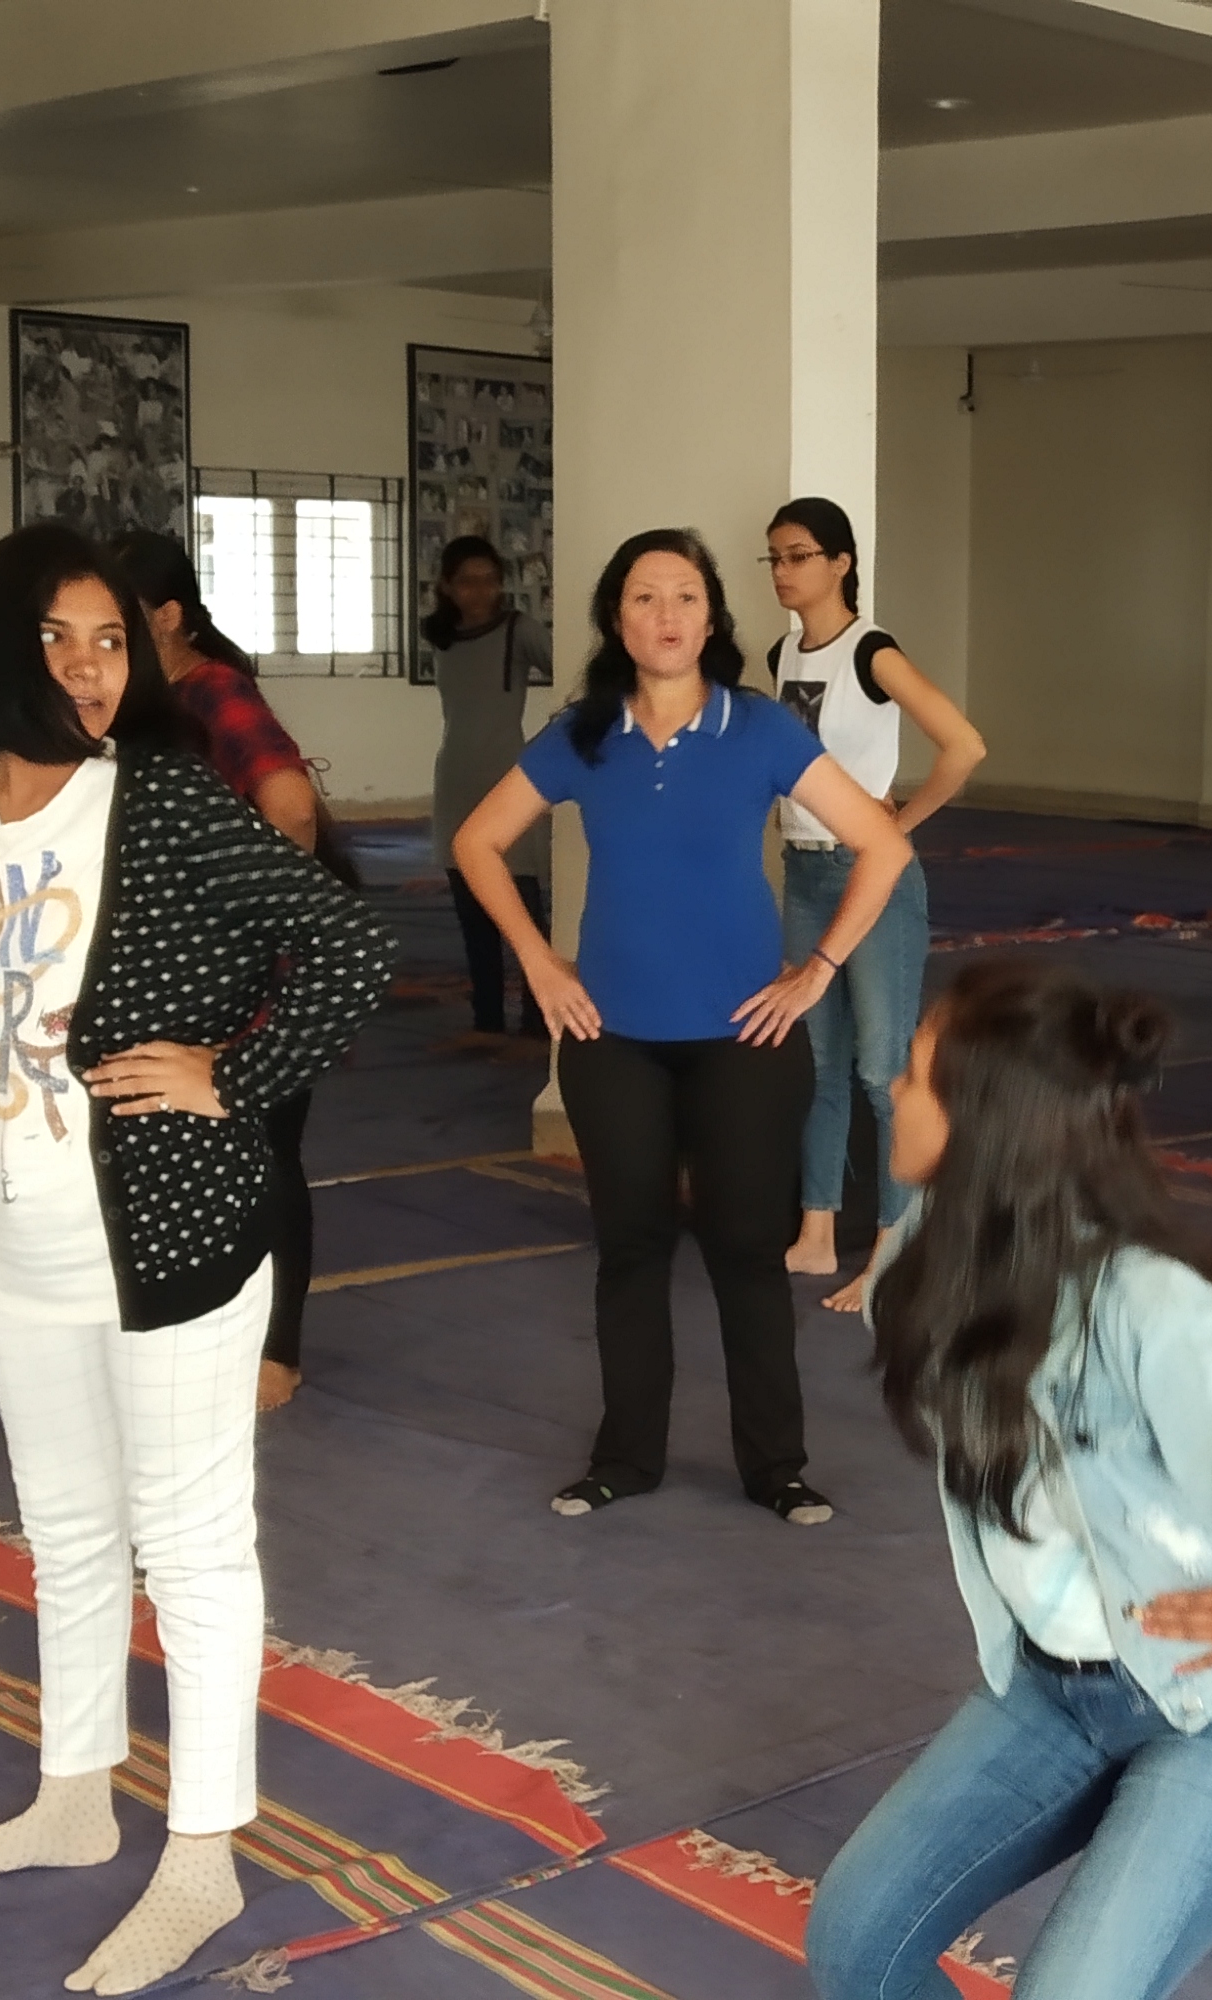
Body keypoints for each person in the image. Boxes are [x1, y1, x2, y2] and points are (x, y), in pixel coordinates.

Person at [0, 525, 391, 1995]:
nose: (91, 669)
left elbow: (346, 944)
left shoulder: (159, 797)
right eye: (58, 638)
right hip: (16, 1238)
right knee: (65, 1533)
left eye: (111, 641)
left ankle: (203, 1853)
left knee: (192, 1546)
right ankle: (71, 1800)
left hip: (168, 1233)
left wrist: (231, 1077)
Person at [805, 956, 1212, 1999]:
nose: (894, 1092)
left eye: (914, 1073)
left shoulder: (1151, 1307)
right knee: (856, 1942)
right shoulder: (914, 1268)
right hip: (1053, 1689)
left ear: (987, 1119)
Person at [450, 528, 913, 1522]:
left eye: (686, 597)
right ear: (616, 620)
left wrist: (819, 970)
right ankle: (625, 1456)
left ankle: (775, 1465)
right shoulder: (581, 735)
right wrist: (540, 961)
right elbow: (477, 840)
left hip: (745, 1041)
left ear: (711, 619)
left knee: (746, 1251)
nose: (666, 615)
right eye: (645, 597)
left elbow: (881, 845)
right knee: (631, 1247)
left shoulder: (760, 729)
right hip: (612, 1040)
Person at [108, 529, 337, 1412]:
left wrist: (247, 926)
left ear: (169, 617)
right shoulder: (145, 702)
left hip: (253, 984)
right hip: (180, 981)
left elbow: (293, 810)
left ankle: (279, 1352)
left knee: (268, 1156)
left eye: (121, 620)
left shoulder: (214, 693)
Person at [759, 496, 989, 1313]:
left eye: (799, 555)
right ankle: (817, 1230)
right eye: (775, 557)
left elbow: (963, 744)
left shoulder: (870, 652)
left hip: (872, 876)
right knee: (817, 1060)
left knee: (880, 1066)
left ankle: (897, 1246)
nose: (783, 571)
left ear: (840, 563)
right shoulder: (781, 654)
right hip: (805, 873)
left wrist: (902, 823)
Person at [425, 535, 552, 1038]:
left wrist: (551, 744)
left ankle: (538, 1021)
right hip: (454, 779)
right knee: (470, 910)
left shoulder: (519, 630)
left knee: (522, 908)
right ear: (446, 586)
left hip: (508, 781)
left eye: (489, 581)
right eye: (467, 582)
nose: (479, 592)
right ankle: (487, 1020)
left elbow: (571, 676)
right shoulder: (443, 637)